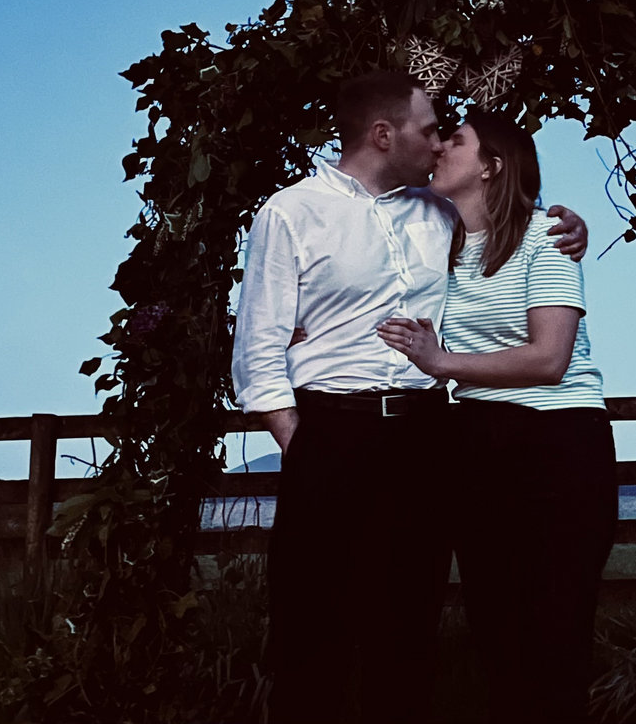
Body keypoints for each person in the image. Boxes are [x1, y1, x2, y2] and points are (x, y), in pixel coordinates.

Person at [231, 71, 586, 724]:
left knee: (407, 628)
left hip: (425, 436)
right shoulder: (290, 213)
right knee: (310, 625)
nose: (438, 142)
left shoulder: (437, 210)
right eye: (428, 130)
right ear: (382, 134)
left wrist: (565, 226)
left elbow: (505, 217)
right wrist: (300, 441)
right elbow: (257, 347)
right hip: (331, 431)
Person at [377, 110, 617, 724]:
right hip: (476, 444)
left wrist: (442, 362)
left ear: (492, 166)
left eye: (455, 141)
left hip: (560, 446)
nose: (439, 149)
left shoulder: (546, 238)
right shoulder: (435, 244)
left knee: (556, 632)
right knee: (497, 632)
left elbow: (549, 359)